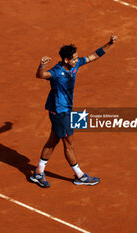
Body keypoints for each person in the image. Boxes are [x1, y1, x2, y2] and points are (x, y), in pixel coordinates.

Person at [30, 35, 118, 188]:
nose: (77, 60)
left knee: (53, 141)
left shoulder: (75, 65)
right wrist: (41, 66)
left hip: (63, 111)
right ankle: (80, 176)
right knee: (69, 143)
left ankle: (38, 172)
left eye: (77, 58)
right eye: (74, 59)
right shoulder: (56, 72)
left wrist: (109, 44)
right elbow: (41, 75)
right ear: (65, 60)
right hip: (59, 111)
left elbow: (94, 55)